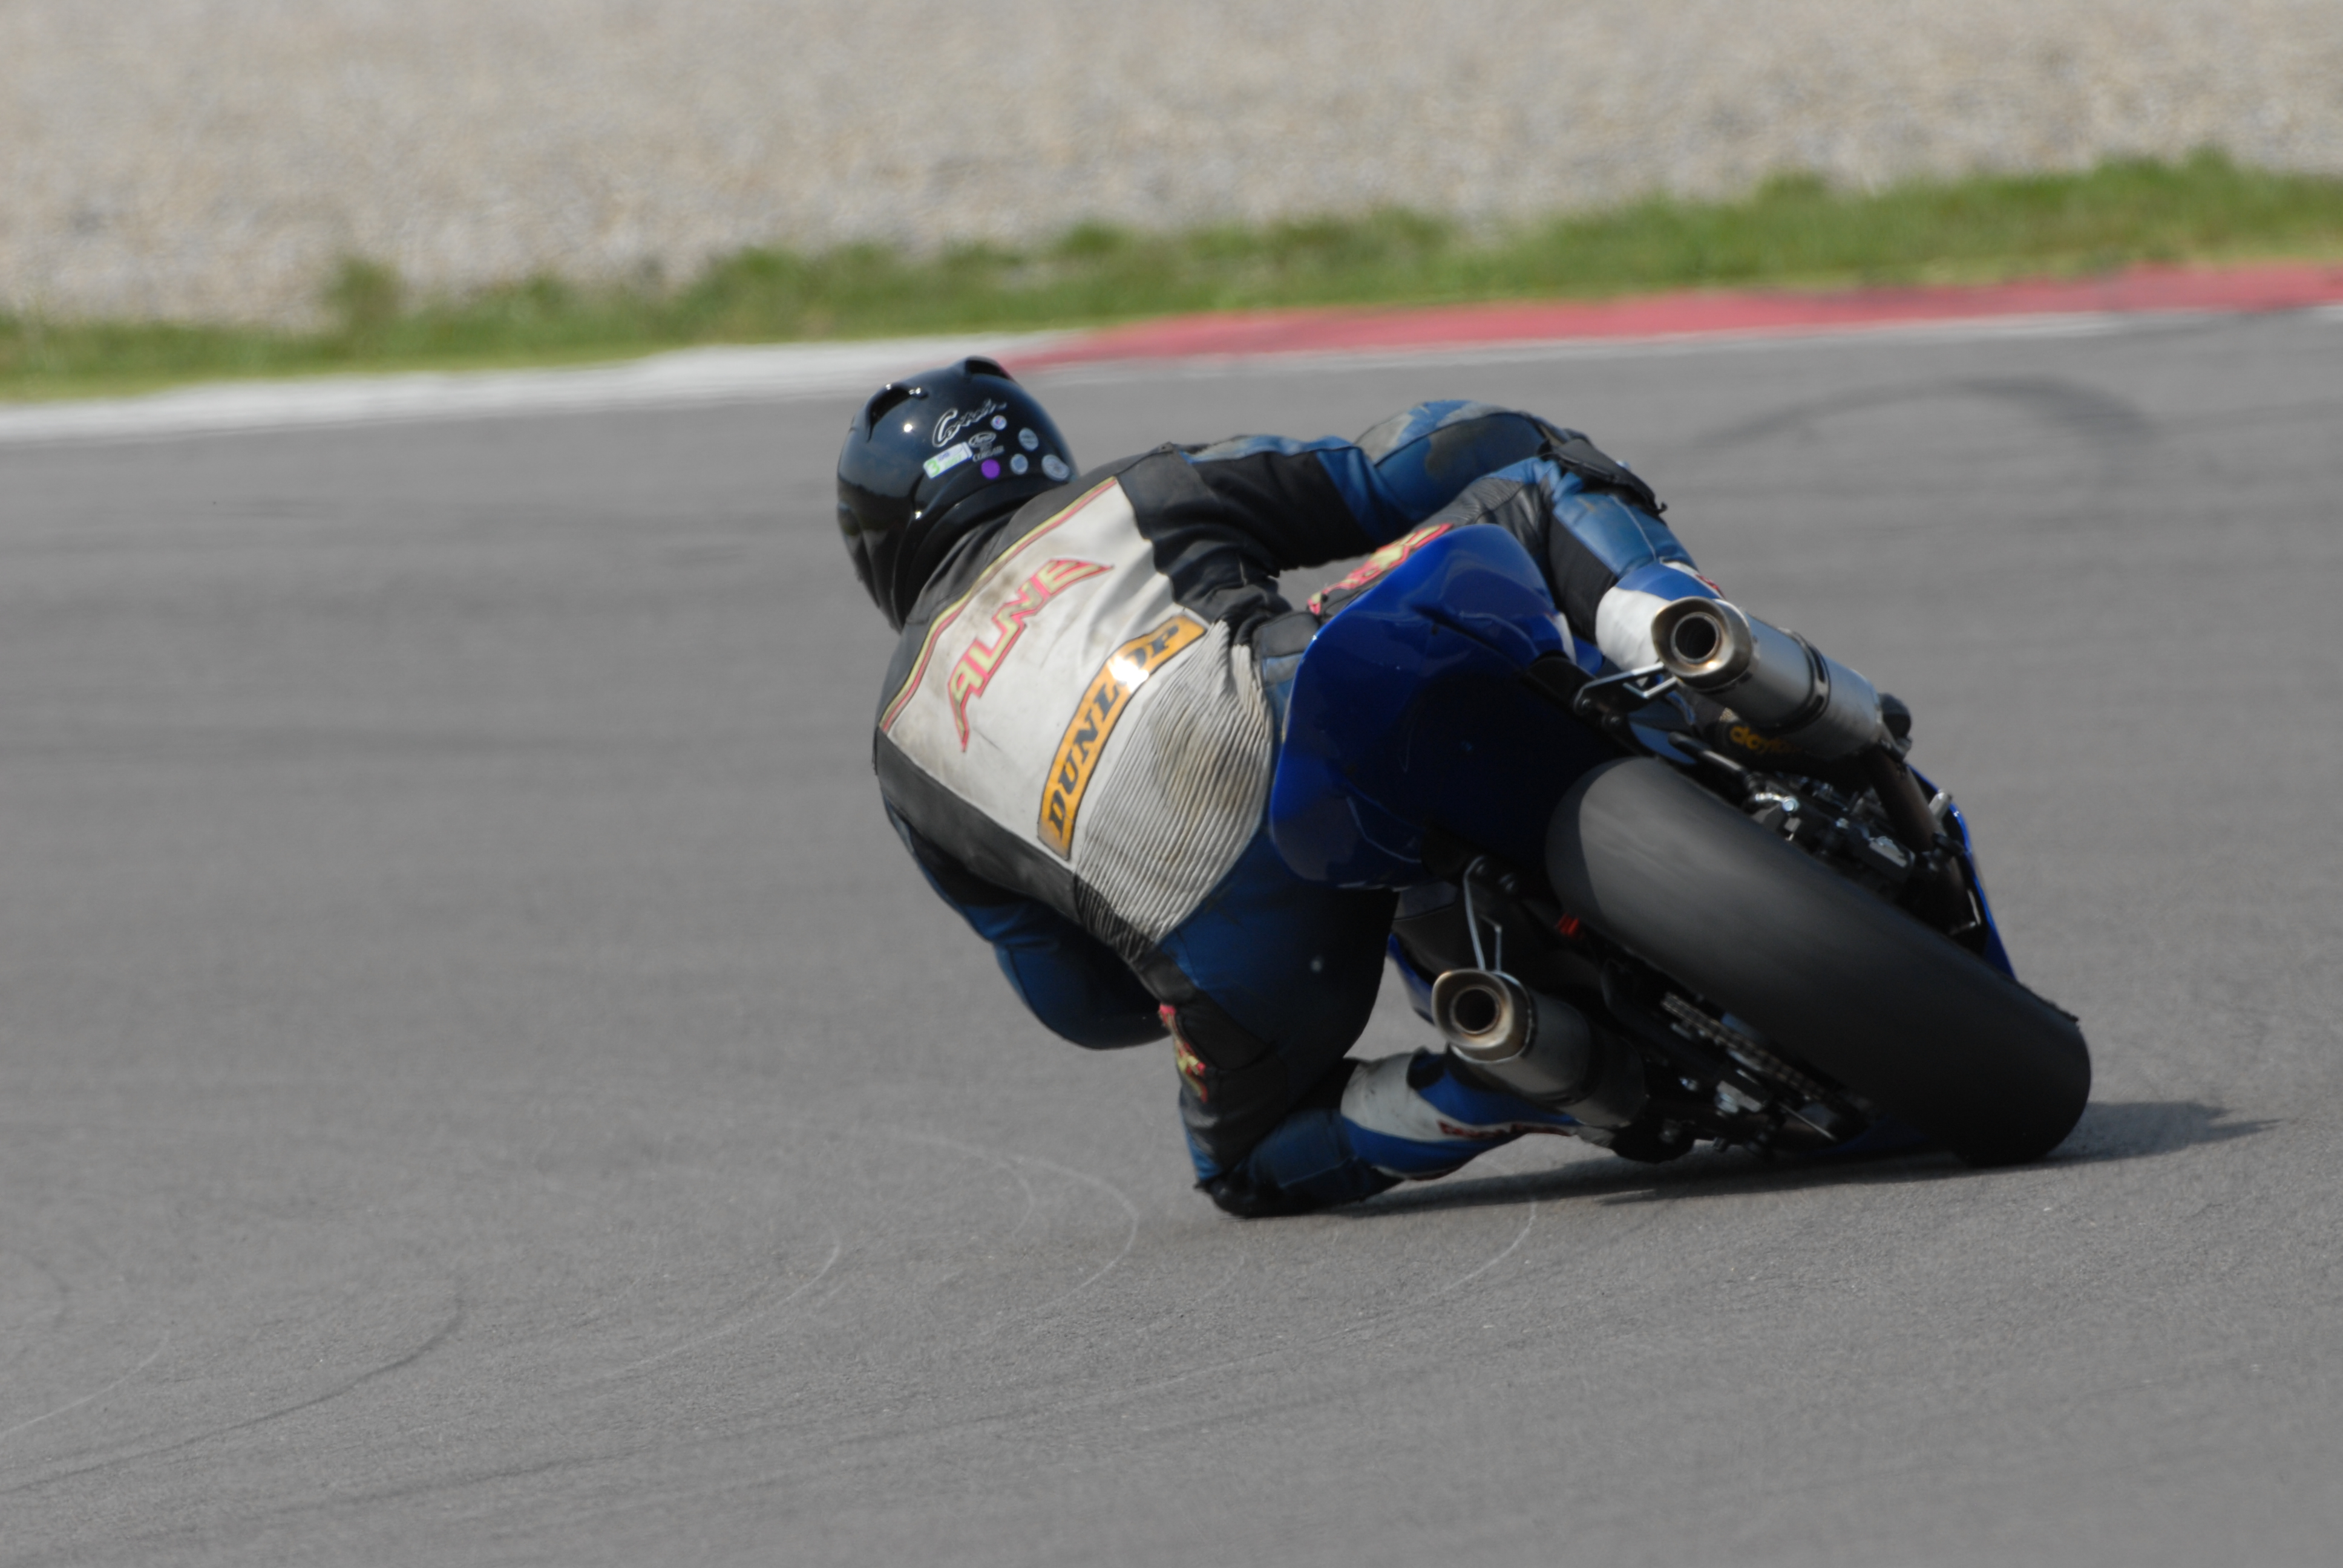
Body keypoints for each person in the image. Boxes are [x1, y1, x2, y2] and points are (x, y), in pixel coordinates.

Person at [838, 356, 1872, 1217]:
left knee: (1246, 1164)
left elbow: (1082, 1006)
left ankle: (1505, 1075)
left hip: (1227, 943)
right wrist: (1529, 434)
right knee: (1535, 482)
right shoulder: (1131, 491)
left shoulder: (901, 751)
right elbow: (1390, 468)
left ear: (882, 549)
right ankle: (1698, 644)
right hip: (1302, 705)